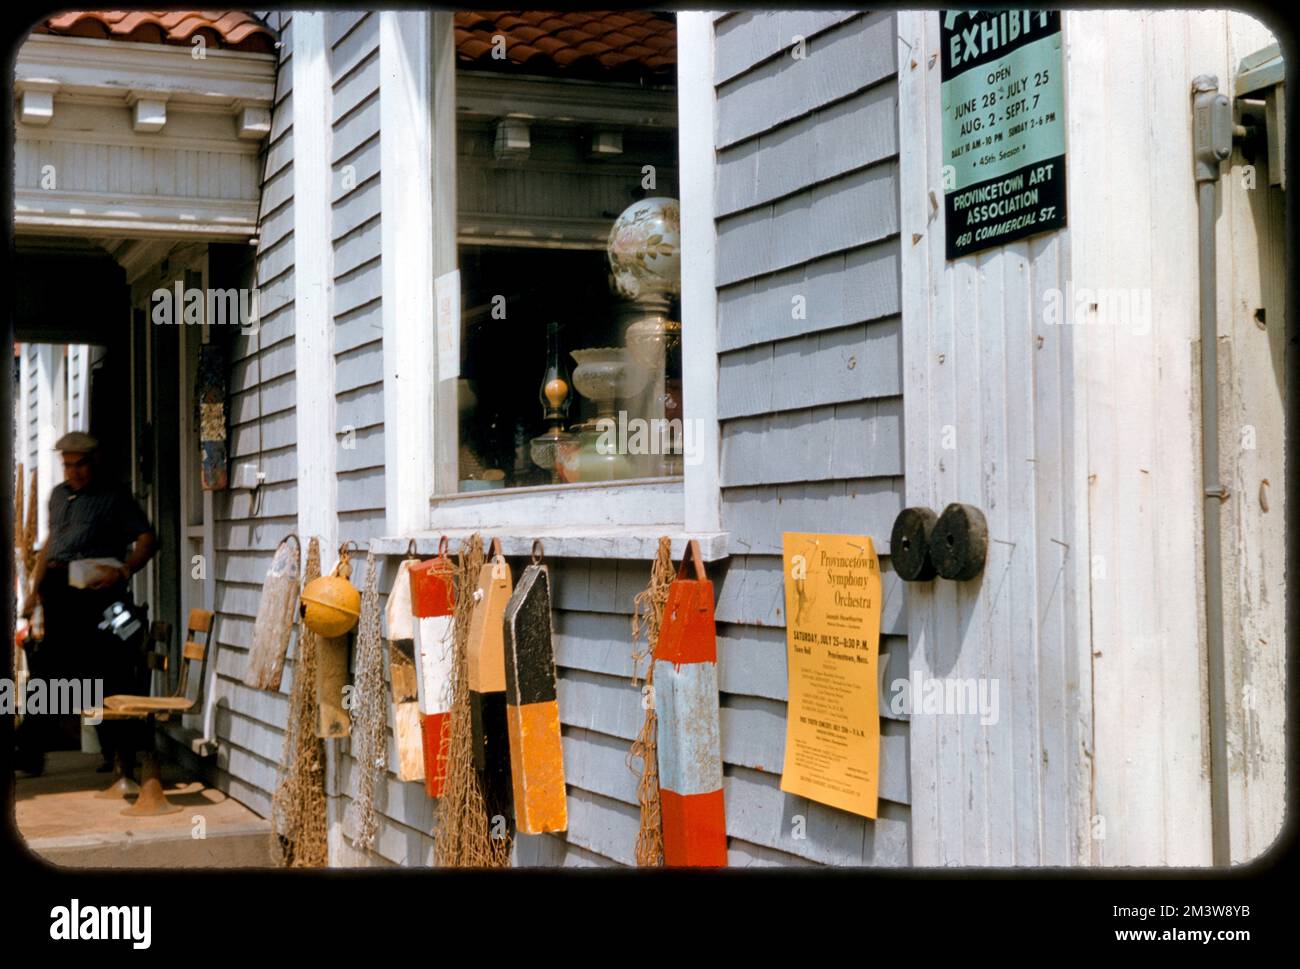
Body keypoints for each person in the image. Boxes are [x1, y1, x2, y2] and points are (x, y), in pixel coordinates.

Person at [17, 431, 158, 777]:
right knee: (48, 670)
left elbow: (148, 539)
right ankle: (32, 752)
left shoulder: (113, 497)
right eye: (67, 465)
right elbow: (51, 543)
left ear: (93, 462)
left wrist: (124, 570)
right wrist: (34, 591)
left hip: (98, 595)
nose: (73, 472)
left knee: (102, 668)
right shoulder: (57, 496)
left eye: (79, 465)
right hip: (59, 594)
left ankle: (119, 753)